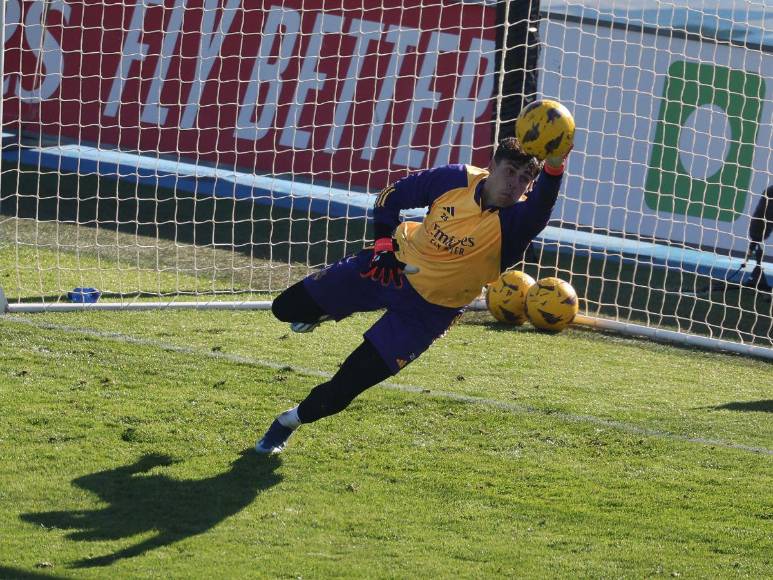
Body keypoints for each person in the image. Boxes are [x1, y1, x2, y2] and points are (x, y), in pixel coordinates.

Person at [256, 137, 571, 453]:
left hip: (429, 313)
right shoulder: (455, 179)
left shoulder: (520, 221)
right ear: (491, 166)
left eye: (524, 178)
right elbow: (391, 196)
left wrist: (555, 163)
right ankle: (324, 311)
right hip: (391, 269)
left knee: (343, 389)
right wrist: (383, 246)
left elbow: (545, 199)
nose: (513, 184)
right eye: (510, 171)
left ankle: (287, 423)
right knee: (285, 308)